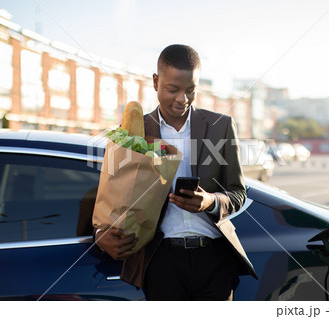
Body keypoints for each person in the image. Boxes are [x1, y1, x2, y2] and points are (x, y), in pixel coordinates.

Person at [95, 44, 257, 300]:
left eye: (191, 90)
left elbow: (238, 193)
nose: (183, 99)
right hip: (160, 262)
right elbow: (110, 193)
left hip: (215, 260)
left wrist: (211, 202)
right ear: (156, 82)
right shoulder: (134, 129)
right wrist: (100, 233)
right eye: (173, 89)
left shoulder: (220, 126)